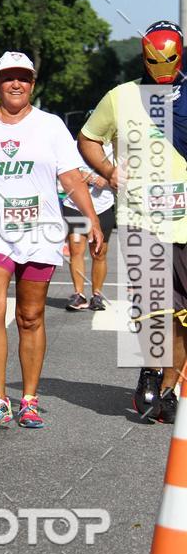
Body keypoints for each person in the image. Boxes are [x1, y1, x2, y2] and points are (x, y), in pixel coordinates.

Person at [0, 51, 103, 432]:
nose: (16, 84)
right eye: (9, 77)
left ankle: (28, 398)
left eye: (24, 78)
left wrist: (91, 220)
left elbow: (72, 178)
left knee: (30, 316)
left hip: (40, 231)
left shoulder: (50, 126)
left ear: (33, 83)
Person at [78, 21, 187, 424]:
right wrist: (108, 169)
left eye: (171, 60)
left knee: (183, 317)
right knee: (152, 309)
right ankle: (150, 370)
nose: (162, 67)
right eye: (154, 60)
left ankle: (170, 387)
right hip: (143, 220)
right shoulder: (121, 97)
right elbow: (88, 137)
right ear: (142, 57)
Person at [62, 141, 115, 311]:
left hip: (103, 206)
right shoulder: (73, 146)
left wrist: (106, 180)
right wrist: (92, 177)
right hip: (75, 205)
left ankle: (97, 295)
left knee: (98, 253)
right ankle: (79, 294)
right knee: (76, 249)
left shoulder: (113, 148)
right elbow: (66, 172)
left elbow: (121, 176)